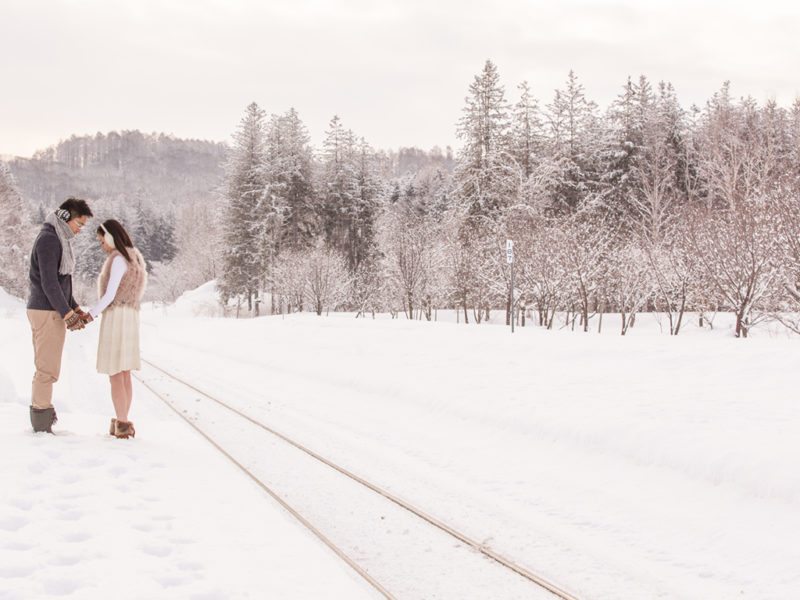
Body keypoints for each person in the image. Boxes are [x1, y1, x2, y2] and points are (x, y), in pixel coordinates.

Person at [27, 198, 93, 433]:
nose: (80, 229)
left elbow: (62, 283)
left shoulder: (58, 238)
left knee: (49, 366)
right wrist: (66, 313)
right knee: (47, 368)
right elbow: (49, 282)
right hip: (46, 310)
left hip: (51, 308)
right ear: (66, 217)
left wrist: (74, 308)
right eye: (79, 223)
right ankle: (41, 424)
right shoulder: (49, 239)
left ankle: (42, 415)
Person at [81, 219, 147, 439]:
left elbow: (110, 294)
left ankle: (122, 422)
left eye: (102, 241)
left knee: (116, 374)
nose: (102, 247)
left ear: (110, 237)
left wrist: (91, 314)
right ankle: (123, 419)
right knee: (124, 372)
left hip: (117, 316)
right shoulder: (134, 257)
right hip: (130, 315)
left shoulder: (118, 259)